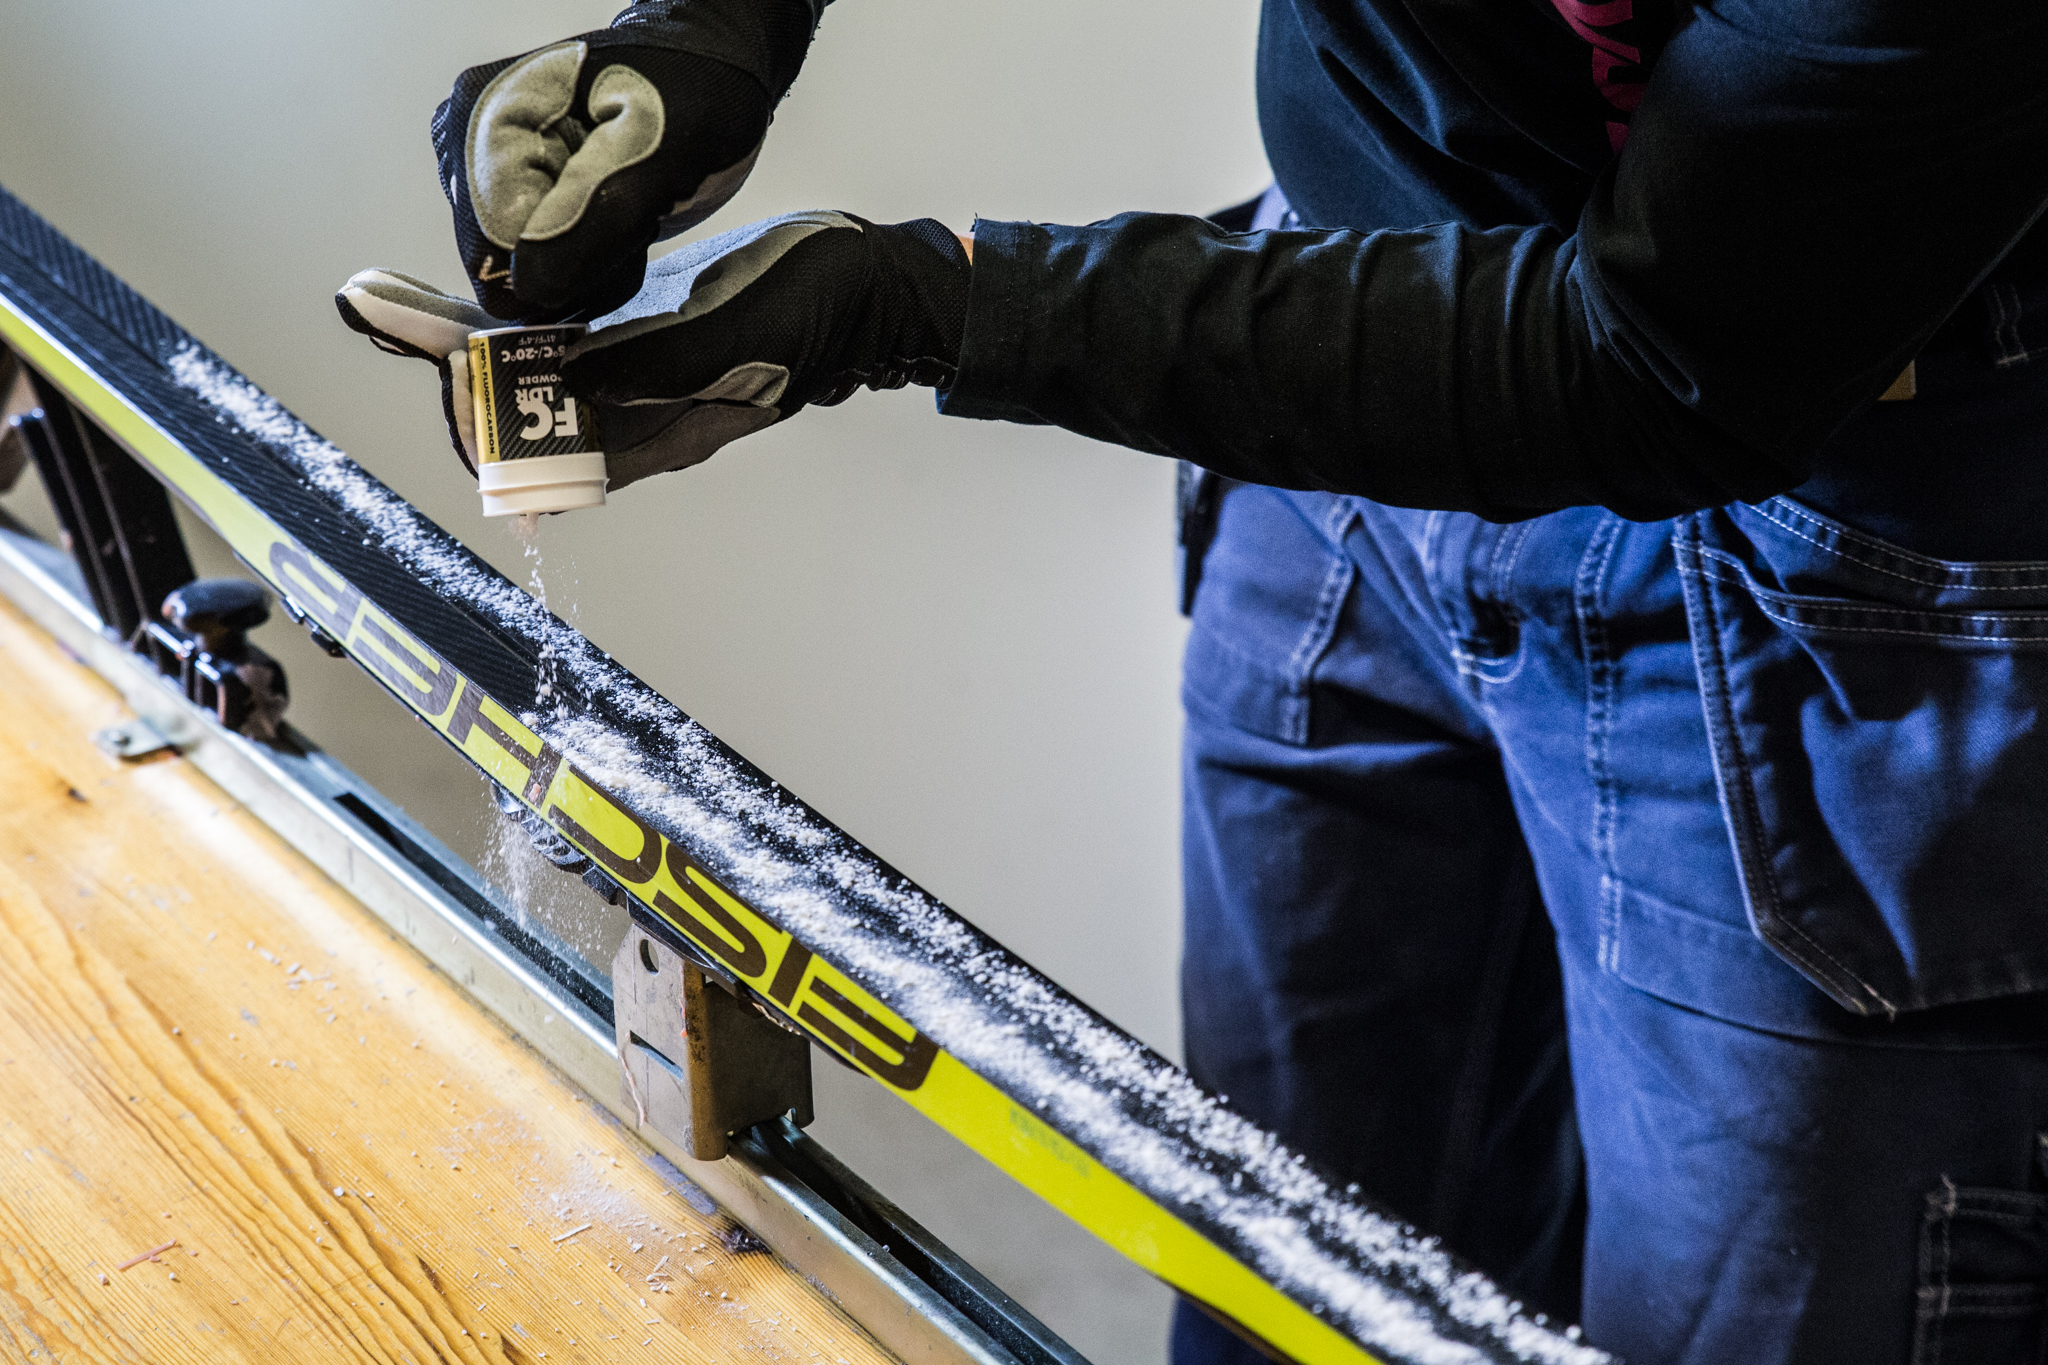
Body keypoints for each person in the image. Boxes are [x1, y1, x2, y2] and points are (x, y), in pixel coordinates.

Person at [337, 2, 2048, 1361]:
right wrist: (710, 30)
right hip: (1357, 376)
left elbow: (1652, 356)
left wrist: (925, 309)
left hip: (1832, 536)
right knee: (1277, 1279)